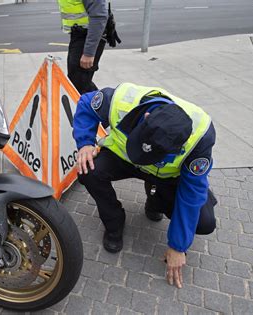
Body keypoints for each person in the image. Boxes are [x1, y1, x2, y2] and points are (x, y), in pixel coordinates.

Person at [73, 82, 217, 289]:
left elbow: (191, 193)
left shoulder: (200, 138)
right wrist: (85, 143)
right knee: (88, 170)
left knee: (204, 222)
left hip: (165, 176)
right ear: (147, 118)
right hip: (125, 157)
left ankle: (155, 200)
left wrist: (178, 246)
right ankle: (114, 222)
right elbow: (86, 103)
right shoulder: (122, 100)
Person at [56, 0, 108, 95]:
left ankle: (103, 106)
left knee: (79, 84)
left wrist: (88, 53)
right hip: (79, 34)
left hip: (88, 35)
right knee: (77, 82)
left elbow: (99, 17)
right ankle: (101, 105)